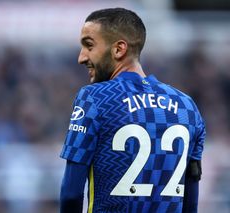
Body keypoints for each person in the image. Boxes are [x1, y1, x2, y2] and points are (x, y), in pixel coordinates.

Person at [59, 8, 205, 213]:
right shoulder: (187, 107)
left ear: (119, 49)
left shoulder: (94, 98)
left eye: (89, 45)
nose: (81, 57)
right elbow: (190, 203)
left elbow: (71, 194)